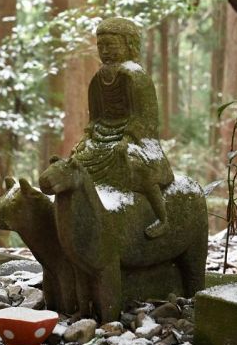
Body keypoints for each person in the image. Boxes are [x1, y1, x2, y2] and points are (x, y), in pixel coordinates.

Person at [71, 17, 173, 238]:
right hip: (103, 135)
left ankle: (162, 217)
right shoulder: (99, 77)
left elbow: (145, 117)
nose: (105, 51)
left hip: (134, 137)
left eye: (111, 45)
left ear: (128, 44)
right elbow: (96, 116)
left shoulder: (136, 76)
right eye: (101, 46)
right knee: (76, 163)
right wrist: (87, 136)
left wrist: (127, 139)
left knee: (136, 165)